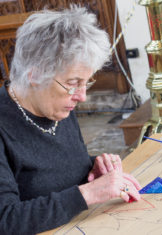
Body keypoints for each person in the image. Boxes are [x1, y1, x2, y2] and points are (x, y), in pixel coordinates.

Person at [0, 5, 141, 235]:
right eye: (73, 83)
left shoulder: (56, 105)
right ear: (34, 75)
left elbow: (54, 172)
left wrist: (92, 167)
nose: (82, 96)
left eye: (86, 82)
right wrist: (90, 193)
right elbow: (5, 221)